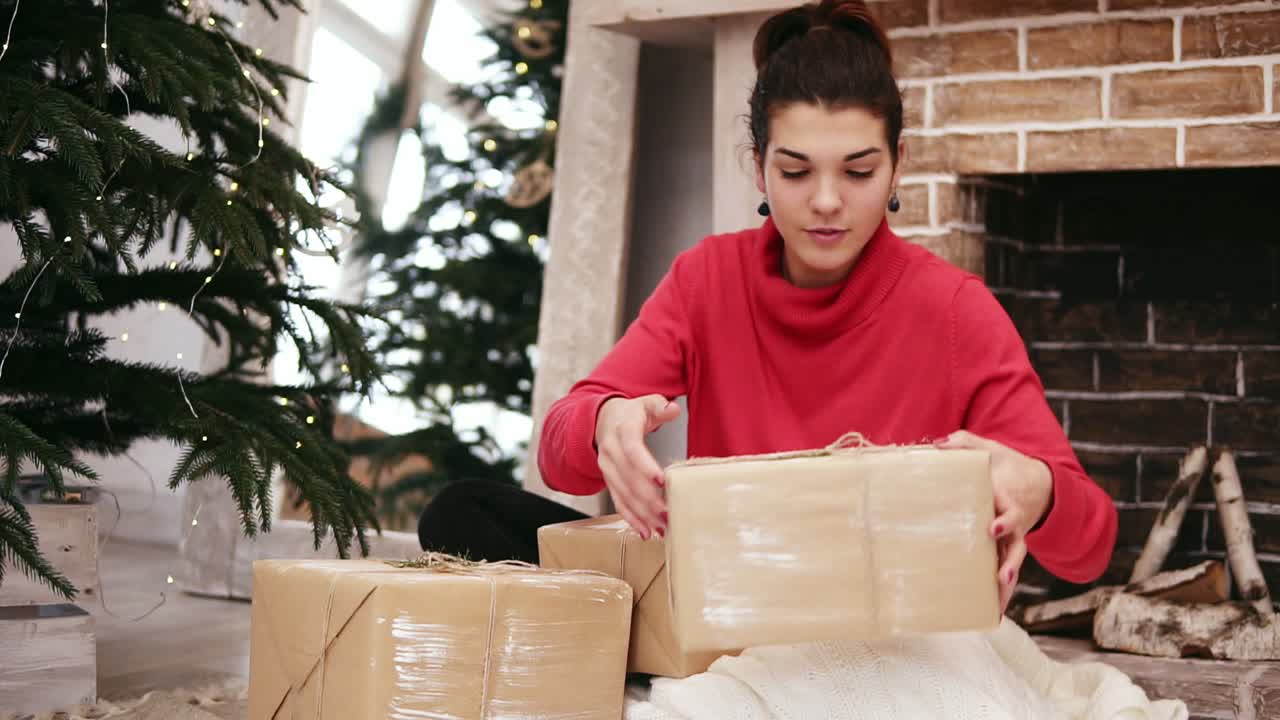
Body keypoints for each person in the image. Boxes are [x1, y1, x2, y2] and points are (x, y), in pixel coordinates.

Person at [418, 0, 1118, 613]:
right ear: (758, 166)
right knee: (464, 512)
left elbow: (1092, 546)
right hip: (725, 600)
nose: (825, 201)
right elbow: (558, 456)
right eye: (794, 170)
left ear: (898, 164)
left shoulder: (957, 310)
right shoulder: (708, 279)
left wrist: (1039, 490)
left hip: (879, 617)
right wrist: (606, 423)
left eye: (859, 170)